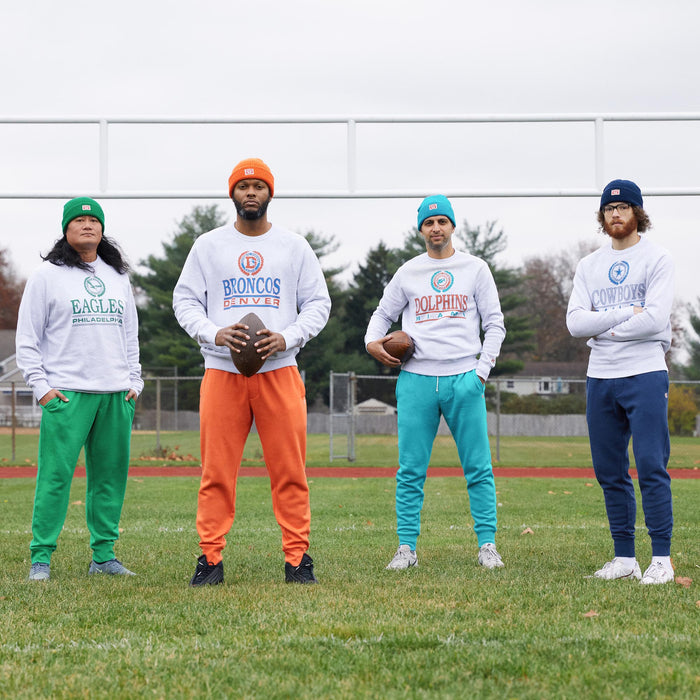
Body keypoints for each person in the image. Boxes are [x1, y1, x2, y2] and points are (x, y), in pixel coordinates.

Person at [173, 158, 331, 587]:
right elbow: (184, 300)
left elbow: (319, 303)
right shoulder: (208, 245)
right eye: (243, 187)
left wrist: (289, 336)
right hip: (222, 373)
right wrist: (213, 332)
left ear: (269, 194)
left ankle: (297, 559)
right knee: (217, 472)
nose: (251, 193)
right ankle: (210, 558)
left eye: (259, 186)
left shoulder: (294, 246)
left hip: (279, 372)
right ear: (232, 194)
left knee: (290, 471)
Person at [365, 195, 506, 571]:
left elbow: (495, 323)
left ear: (453, 226)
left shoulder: (475, 268)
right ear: (421, 230)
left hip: (464, 377)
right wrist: (371, 343)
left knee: (478, 467)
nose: (436, 228)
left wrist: (480, 373)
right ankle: (406, 548)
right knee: (410, 469)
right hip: (416, 380)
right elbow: (382, 314)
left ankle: (487, 545)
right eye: (429, 223)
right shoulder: (408, 271)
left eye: (443, 221)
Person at [16, 197, 143, 581]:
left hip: (116, 394)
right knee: (55, 477)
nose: (87, 225)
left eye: (94, 220)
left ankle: (103, 557)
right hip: (67, 394)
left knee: (109, 478)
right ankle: (41, 558)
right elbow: (27, 339)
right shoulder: (47, 275)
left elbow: (130, 334)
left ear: (102, 230)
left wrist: (134, 380)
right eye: (79, 220)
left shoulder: (118, 275)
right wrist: (42, 388)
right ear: (66, 229)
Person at [567, 179, 675, 585]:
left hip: (645, 371)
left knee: (650, 465)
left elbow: (655, 319)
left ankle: (661, 558)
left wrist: (603, 327)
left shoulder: (658, 258)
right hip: (600, 377)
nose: (616, 214)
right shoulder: (589, 265)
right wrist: (623, 314)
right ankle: (625, 557)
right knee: (609, 471)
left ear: (638, 213)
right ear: (602, 216)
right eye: (610, 209)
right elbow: (576, 323)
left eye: (624, 208)